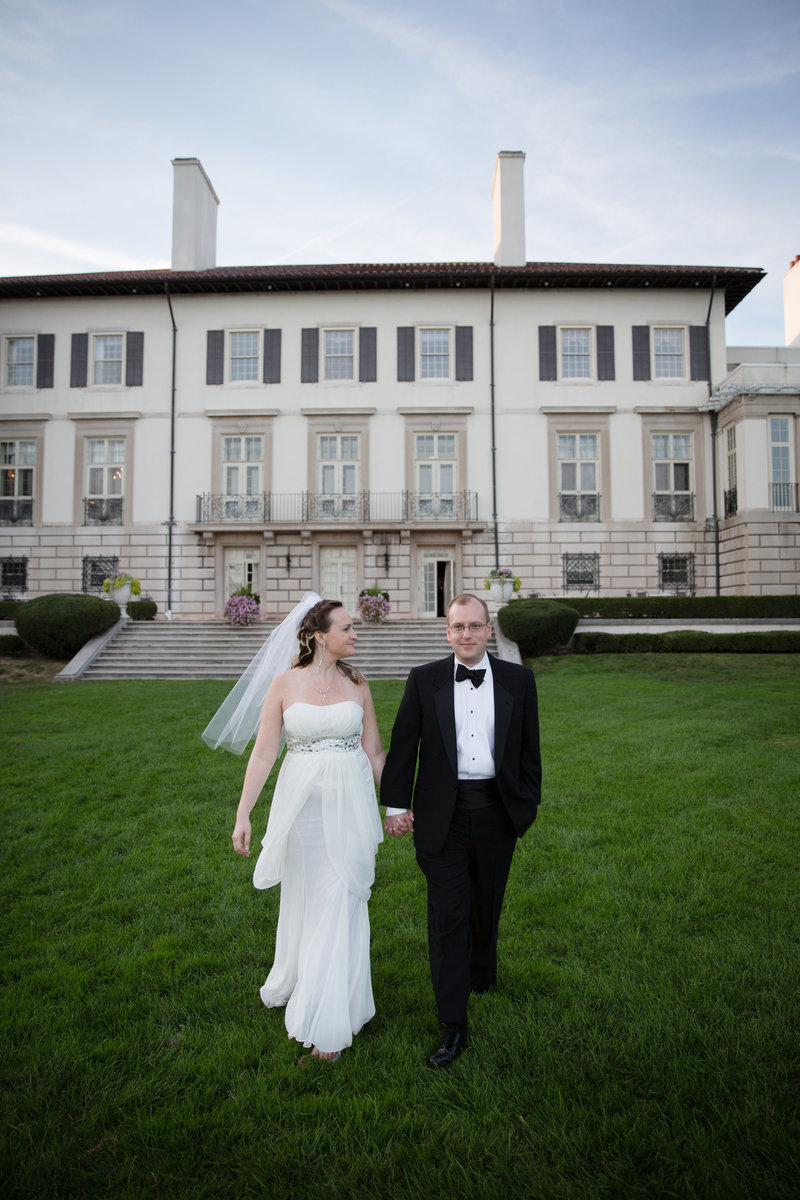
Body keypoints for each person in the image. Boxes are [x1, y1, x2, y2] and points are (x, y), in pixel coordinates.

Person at [202, 596, 385, 1062]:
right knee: (312, 901)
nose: (355, 634)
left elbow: (375, 752)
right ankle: (320, 1010)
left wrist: (401, 806)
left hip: (351, 810)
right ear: (320, 635)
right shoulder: (284, 684)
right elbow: (264, 753)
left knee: (342, 898)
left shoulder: (358, 683)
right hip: (301, 813)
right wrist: (243, 814)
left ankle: (335, 1009)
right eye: (347, 628)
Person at [380, 592, 541, 1068]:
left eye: (474, 626)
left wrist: (526, 804)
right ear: (446, 631)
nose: (466, 635)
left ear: (489, 630)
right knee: (448, 915)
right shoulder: (424, 680)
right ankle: (453, 1023)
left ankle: (481, 972)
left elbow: (529, 749)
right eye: (457, 627)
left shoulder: (519, 680)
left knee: (486, 904)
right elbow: (403, 745)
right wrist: (395, 806)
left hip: (497, 808)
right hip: (441, 813)